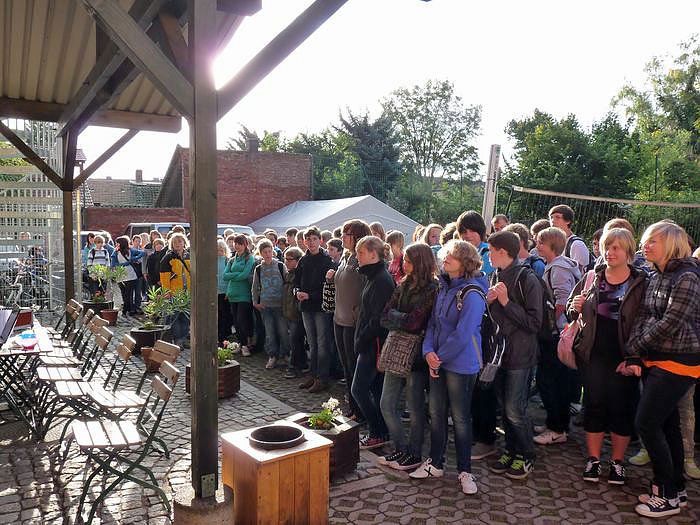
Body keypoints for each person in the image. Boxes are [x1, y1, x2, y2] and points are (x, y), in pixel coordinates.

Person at [625, 221, 699, 518]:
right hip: (654, 358)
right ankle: (676, 490)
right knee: (667, 426)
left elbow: (672, 321)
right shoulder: (656, 274)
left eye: (653, 241)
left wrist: (637, 344)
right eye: (645, 240)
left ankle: (665, 494)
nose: (645, 245)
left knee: (646, 423)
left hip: (679, 360)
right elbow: (643, 315)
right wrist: (635, 349)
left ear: (671, 243)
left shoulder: (688, 276)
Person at [568, 228, 647, 485]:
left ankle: (617, 462)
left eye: (616, 248)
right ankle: (593, 460)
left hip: (624, 355)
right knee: (594, 405)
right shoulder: (593, 276)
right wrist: (574, 307)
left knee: (622, 409)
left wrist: (635, 356)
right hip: (593, 354)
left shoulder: (641, 282)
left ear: (628, 251)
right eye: (606, 246)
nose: (610, 252)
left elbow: (645, 321)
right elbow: (571, 308)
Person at [410, 240, 487, 496]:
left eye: (451, 257)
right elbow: (433, 323)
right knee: (436, 412)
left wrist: (438, 358)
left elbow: (464, 332)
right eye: (446, 255)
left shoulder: (473, 293)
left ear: (465, 262)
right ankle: (435, 463)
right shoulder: (444, 287)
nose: (445, 259)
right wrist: (428, 352)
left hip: (461, 364)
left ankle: (465, 470)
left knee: (461, 418)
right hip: (439, 361)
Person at [486, 231, 543, 479]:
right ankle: (511, 449)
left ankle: (526, 454)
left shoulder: (527, 278)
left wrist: (506, 302)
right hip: (499, 354)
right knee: (504, 407)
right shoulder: (495, 275)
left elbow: (534, 323)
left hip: (521, 355)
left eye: (491, 251)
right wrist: (488, 302)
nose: (488, 255)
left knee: (514, 409)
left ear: (503, 252)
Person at [378, 242, 437, 471]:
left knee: (415, 408)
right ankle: (400, 447)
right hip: (396, 351)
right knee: (386, 403)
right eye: (404, 260)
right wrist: (403, 319)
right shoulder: (403, 284)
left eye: (409, 261)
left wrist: (399, 318)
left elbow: (416, 322)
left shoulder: (433, 289)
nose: (404, 264)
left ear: (420, 263)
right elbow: (384, 315)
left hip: (417, 357)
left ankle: (414, 452)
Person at [533, 227, 581, 445]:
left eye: (541, 242)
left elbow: (562, 300)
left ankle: (557, 428)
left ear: (551, 245)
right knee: (552, 380)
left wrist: (550, 321)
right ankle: (555, 422)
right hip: (556, 332)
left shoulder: (558, 269)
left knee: (550, 381)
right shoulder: (555, 266)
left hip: (556, 334)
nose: (537, 245)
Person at [456, 210, 496, 459]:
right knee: (468, 387)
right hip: (465, 329)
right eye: (463, 231)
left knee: (484, 386)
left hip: (485, 330)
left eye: (471, 230)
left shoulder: (488, 253)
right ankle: (472, 432)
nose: (467, 235)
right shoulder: (458, 252)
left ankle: (486, 438)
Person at [351, 235, 395, 449]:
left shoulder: (382, 280)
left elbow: (378, 319)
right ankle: (381, 432)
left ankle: (377, 430)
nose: (357, 256)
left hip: (374, 344)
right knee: (376, 390)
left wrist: (361, 338)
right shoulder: (373, 276)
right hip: (370, 341)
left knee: (358, 389)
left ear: (372, 254)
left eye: (360, 253)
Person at [331, 220, 371, 419]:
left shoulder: (361, 260)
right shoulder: (346, 257)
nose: (342, 237)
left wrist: (358, 314)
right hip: (339, 318)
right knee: (346, 366)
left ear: (357, 236)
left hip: (352, 322)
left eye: (346, 234)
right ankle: (354, 407)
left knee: (353, 367)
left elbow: (366, 291)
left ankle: (360, 410)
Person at [295, 226, 335, 393]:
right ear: (304, 242)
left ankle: (322, 378)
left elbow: (328, 287)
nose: (311, 242)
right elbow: (296, 281)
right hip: (306, 307)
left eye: (314, 239)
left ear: (320, 241)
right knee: (312, 343)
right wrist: (297, 292)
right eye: (308, 240)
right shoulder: (303, 260)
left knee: (322, 343)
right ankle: (313, 374)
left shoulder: (326, 260)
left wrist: (310, 295)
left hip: (320, 307)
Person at [252, 239, 289, 370]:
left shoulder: (280, 266)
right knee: (270, 332)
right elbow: (255, 287)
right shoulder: (258, 269)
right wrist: (255, 302)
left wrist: (287, 302)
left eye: (269, 251)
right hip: (266, 306)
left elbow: (287, 283)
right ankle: (272, 355)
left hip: (280, 305)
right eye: (265, 252)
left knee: (283, 331)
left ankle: (286, 354)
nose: (267, 254)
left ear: (273, 251)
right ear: (261, 253)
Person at [223, 234, 256, 357]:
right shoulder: (232, 259)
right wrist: (237, 274)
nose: (237, 246)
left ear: (245, 245)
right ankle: (241, 343)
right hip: (233, 294)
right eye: (235, 243)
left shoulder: (249, 258)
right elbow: (225, 276)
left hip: (244, 294)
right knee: (236, 322)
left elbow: (245, 275)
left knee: (242, 320)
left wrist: (233, 275)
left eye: (240, 244)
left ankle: (245, 345)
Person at [158, 233, 191, 347]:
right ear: (171, 244)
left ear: (184, 243)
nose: (178, 244)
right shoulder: (168, 257)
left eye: (180, 241)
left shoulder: (189, 256)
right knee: (175, 318)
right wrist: (167, 292)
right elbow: (164, 277)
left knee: (186, 317)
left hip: (187, 292)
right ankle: (178, 340)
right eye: (175, 242)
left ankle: (183, 338)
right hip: (174, 293)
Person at [282, 247, 306, 378]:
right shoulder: (288, 274)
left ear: (297, 260)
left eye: (289, 259)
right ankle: (302, 364)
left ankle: (294, 367)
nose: (286, 262)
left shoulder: (299, 274)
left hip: (297, 313)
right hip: (290, 312)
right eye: (285, 259)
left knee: (295, 340)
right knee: (296, 340)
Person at [549, 204, 592, 275]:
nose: (553, 221)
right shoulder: (552, 243)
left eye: (557, 217)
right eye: (551, 217)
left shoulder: (577, 244)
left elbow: (580, 274)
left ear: (568, 221)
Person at [112, 236, 144, 317]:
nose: (116, 244)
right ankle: (128, 309)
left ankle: (125, 310)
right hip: (121, 274)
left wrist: (133, 258)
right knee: (124, 293)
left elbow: (142, 253)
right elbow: (113, 264)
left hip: (130, 274)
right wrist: (125, 263)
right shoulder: (115, 252)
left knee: (127, 293)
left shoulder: (130, 250)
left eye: (117, 243)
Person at [217, 239, 233, 345]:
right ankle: (219, 335)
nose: (219, 252)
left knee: (225, 314)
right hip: (215, 292)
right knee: (218, 315)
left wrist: (228, 291)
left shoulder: (228, 261)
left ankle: (225, 335)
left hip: (226, 292)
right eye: (217, 250)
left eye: (221, 250)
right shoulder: (211, 261)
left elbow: (230, 278)